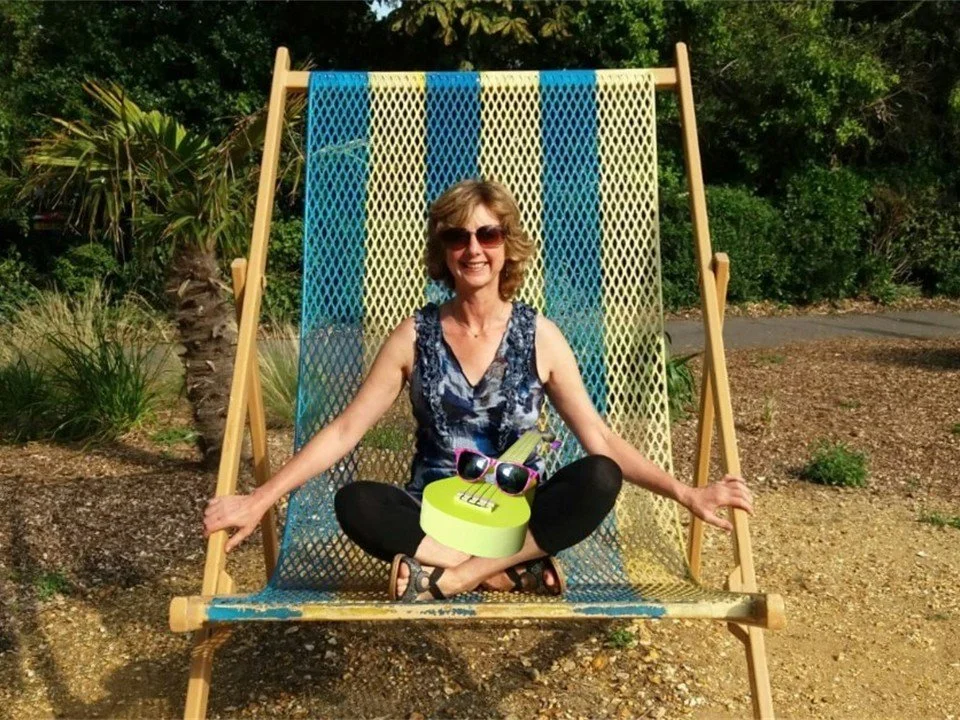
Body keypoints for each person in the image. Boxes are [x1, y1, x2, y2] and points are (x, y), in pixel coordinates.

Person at [203, 178, 754, 603]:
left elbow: (599, 437)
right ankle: (507, 573)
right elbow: (346, 430)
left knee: (600, 476)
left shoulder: (540, 336)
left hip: (518, 513)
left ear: (506, 246)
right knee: (355, 501)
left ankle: (456, 578)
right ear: (443, 250)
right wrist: (259, 498)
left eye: (487, 234)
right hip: (434, 515)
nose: (474, 248)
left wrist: (688, 494)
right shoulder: (414, 336)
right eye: (457, 236)